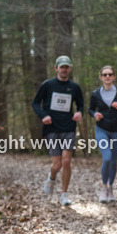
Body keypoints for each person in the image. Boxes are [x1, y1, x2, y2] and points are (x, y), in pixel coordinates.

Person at [32, 55, 85, 207]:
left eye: (66, 67)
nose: (64, 69)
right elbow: (35, 103)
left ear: (70, 68)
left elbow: (80, 105)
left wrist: (79, 113)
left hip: (69, 127)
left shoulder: (75, 87)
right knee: (57, 165)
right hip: (51, 128)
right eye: (61, 67)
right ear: (56, 68)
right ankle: (52, 177)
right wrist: (44, 115)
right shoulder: (47, 85)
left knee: (67, 161)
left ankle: (64, 194)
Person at [89, 65, 117, 203]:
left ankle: (110, 188)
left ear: (114, 76)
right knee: (107, 158)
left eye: (110, 74)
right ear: (101, 77)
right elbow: (90, 110)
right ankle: (103, 188)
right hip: (101, 129)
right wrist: (95, 114)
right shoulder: (95, 94)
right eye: (104, 75)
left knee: (114, 161)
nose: (107, 77)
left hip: (116, 131)